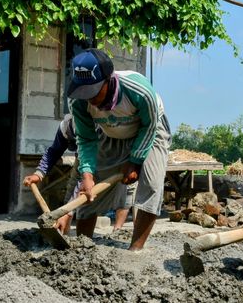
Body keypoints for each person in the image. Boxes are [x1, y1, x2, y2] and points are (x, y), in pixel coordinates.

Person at [67, 48, 171, 252]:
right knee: (91, 187)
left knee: (152, 182)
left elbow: (149, 126)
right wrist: (86, 173)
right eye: (85, 92)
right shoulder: (79, 103)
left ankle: (135, 250)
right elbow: (87, 139)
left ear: (108, 79)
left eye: (94, 92)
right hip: (110, 132)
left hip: (149, 130)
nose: (91, 99)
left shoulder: (139, 90)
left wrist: (135, 160)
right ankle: (82, 247)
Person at [23, 115, 135, 234]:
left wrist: (68, 211)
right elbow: (54, 151)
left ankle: (118, 231)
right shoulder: (66, 126)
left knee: (122, 194)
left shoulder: (100, 127)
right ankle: (63, 235)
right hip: (82, 158)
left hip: (108, 158)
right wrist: (39, 173)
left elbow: (86, 178)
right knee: (72, 198)